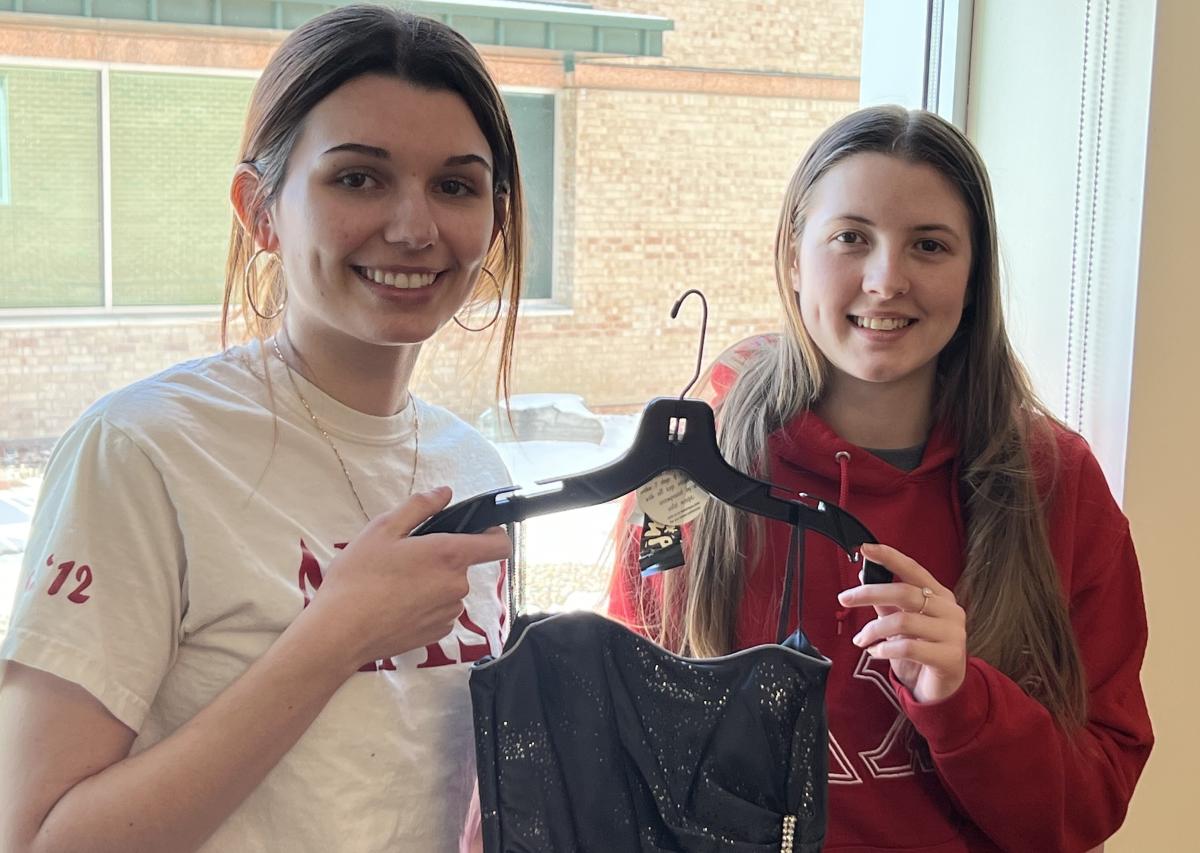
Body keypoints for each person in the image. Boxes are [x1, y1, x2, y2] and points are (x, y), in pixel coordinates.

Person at [0, 6, 525, 851]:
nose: (415, 228)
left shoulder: (473, 466)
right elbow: (37, 838)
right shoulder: (144, 451)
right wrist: (336, 633)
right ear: (261, 209)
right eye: (358, 177)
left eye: (455, 185)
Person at [609, 105, 1153, 852]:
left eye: (928, 245)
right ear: (794, 255)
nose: (886, 279)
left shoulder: (1058, 483)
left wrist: (964, 701)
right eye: (850, 238)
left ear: (974, 275)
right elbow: (623, 763)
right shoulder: (692, 479)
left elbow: (1091, 803)